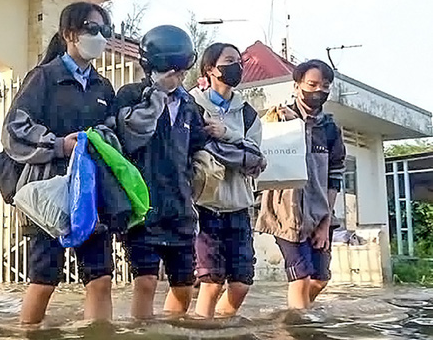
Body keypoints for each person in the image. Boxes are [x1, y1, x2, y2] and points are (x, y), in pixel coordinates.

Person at [2, 1, 117, 324]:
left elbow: (114, 133)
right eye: (91, 30)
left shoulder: (103, 87)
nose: (99, 37)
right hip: (48, 192)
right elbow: (14, 129)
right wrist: (57, 145)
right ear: (69, 33)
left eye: (104, 31)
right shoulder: (44, 78)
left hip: (91, 192)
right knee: (44, 279)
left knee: (101, 278)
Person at [114, 25, 208, 319]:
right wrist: (156, 95)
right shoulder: (130, 95)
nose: (178, 77)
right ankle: (141, 337)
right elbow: (130, 137)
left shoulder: (189, 104)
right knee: (146, 280)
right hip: (143, 205)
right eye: (172, 70)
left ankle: (172, 333)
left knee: (184, 285)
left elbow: (197, 147)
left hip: (179, 207)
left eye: (182, 71)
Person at [256, 59, 346, 309]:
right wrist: (279, 124)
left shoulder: (330, 129)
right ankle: (299, 339)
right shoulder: (277, 119)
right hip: (284, 215)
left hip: (319, 214)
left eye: (325, 86)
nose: (319, 90)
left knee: (319, 280)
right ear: (296, 86)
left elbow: (335, 174)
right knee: (301, 278)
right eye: (312, 84)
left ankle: (292, 317)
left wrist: (326, 221)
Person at [189, 43, 266, 318]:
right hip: (204, 205)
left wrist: (226, 135)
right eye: (229, 60)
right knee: (210, 281)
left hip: (238, 205)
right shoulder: (192, 104)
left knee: (242, 282)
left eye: (239, 61)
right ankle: (205, 337)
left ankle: (221, 326)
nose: (237, 66)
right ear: (210, 68)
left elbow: (257, 157)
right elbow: (191, 147)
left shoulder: (247, 113)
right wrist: (239, 152)